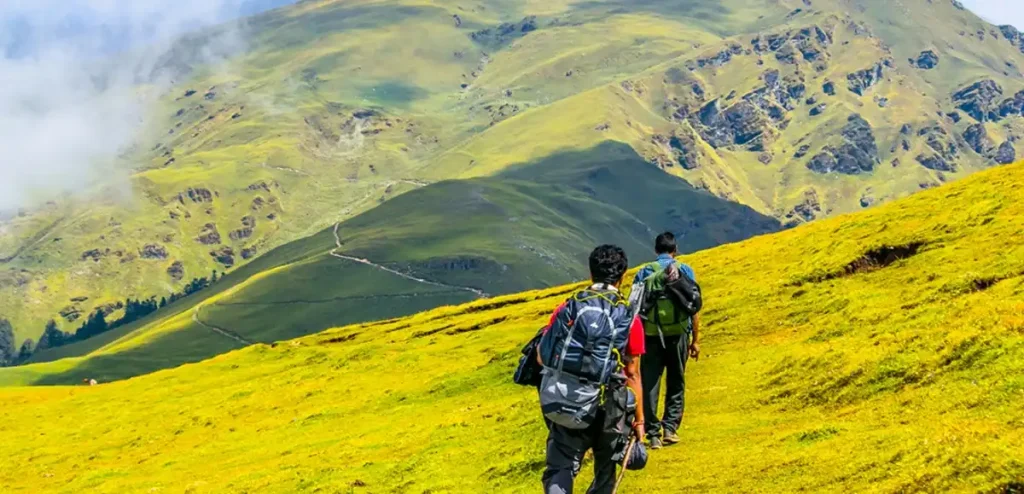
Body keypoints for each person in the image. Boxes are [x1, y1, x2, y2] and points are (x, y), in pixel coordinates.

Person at [537, 245, 646, 494]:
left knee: (560, 467)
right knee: (605, 472)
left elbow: (543, 357)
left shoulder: (567, 309)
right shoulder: (630, 318)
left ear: (590, 272)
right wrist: (639, 421)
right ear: (623, 275)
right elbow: (632, 374)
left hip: (567, 398)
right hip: (611, 408)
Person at [634, 232, 700, 450]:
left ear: (656, 250)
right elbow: (693, 306)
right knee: (676, 381)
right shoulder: (685, 270)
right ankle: (670, 428)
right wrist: (695, 340)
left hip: (650, 336)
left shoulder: (644, 272)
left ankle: (653, 434)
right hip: (679, 335)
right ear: (675, 249)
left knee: (650, 382)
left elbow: (634, 308)